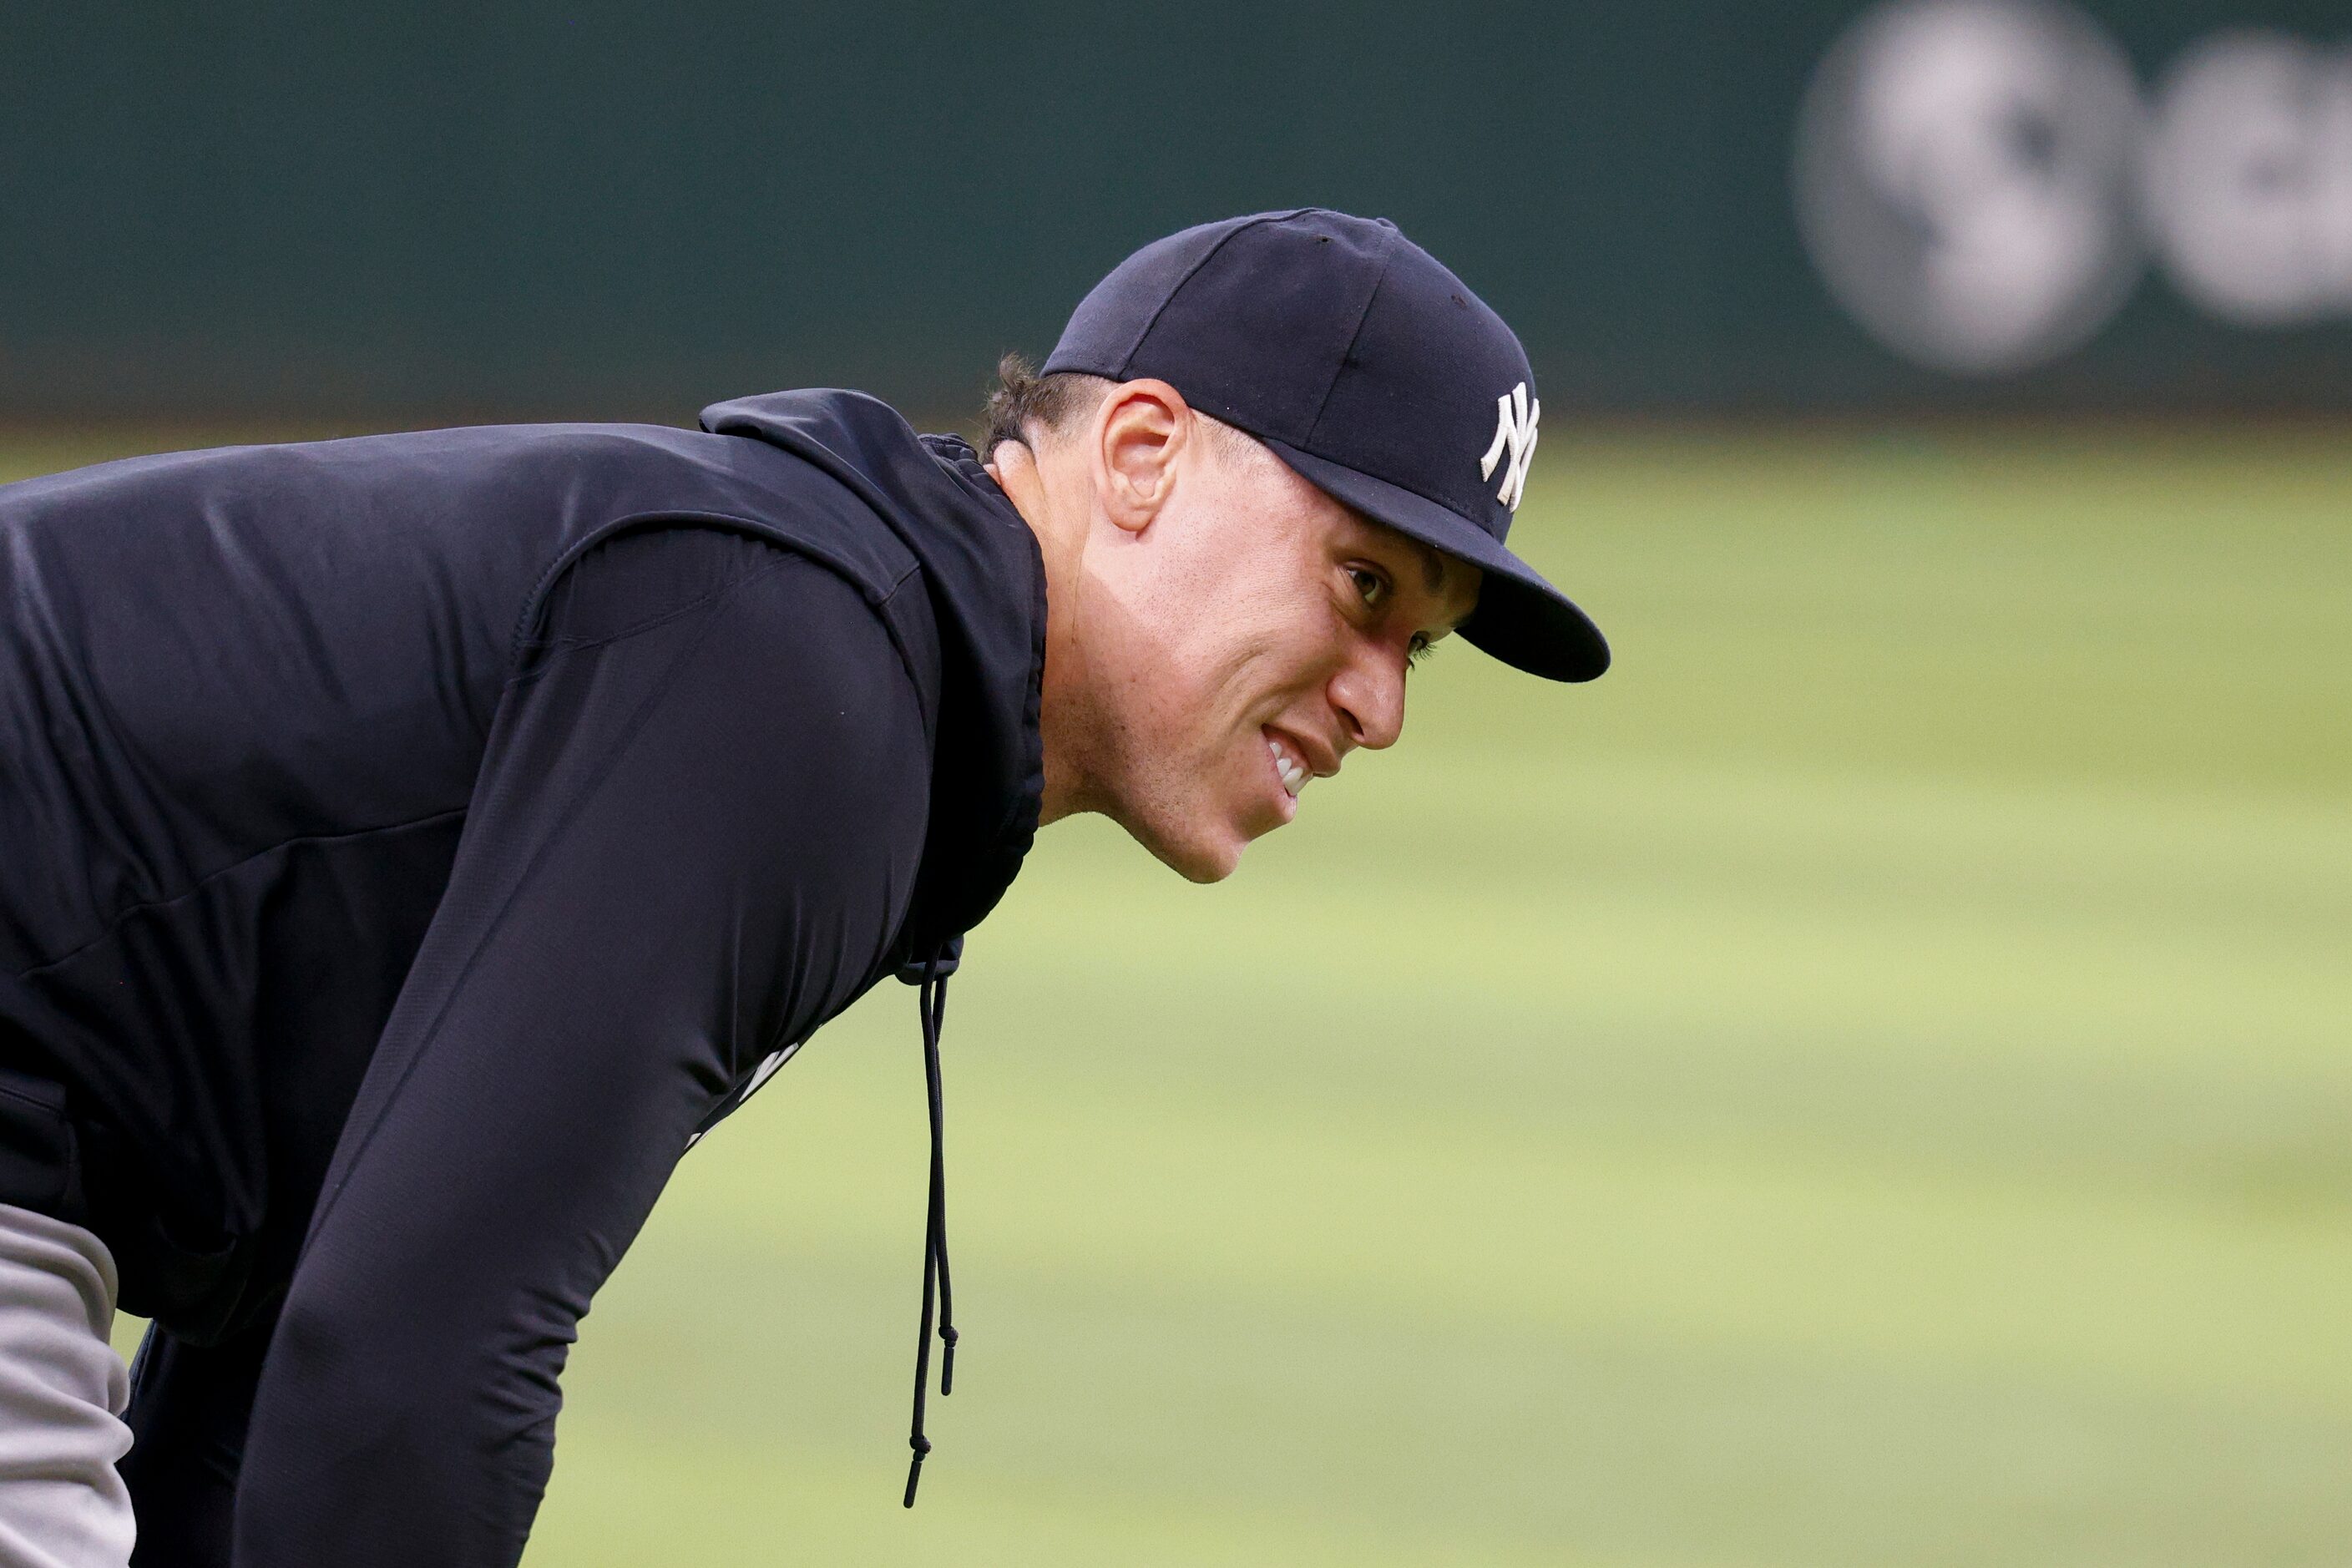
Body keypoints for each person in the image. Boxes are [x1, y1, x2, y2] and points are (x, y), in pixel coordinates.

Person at [0, 208, 1606, 1567]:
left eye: (1420, 644)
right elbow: (405, 1374)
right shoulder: (804, 681)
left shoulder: (846, 657)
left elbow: (298, 1354)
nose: (1378, 704)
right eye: (1360, 583)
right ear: (1138, 452)